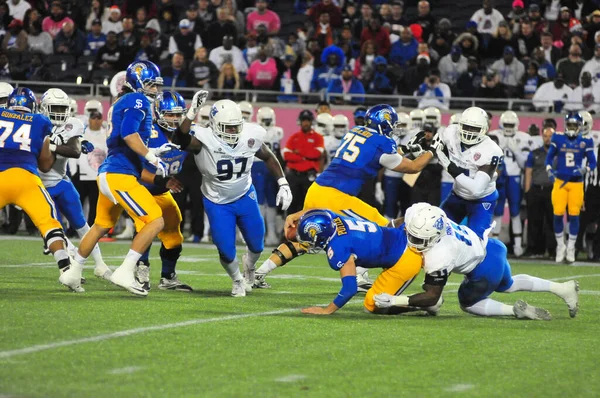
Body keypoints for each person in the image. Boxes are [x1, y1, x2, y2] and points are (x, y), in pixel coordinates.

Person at [254, 104, 435, 291]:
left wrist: (406, 149)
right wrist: (432, 150)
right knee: (381, 229)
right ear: (384, 123)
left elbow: (377, 155)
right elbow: (413, 167)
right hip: (335, 196)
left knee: (304, 240)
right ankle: (359, 276)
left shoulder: (356, 131)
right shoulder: (383, 143)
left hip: (317, 189)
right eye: (392, 123)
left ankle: (258, 273)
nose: (393, 127)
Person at [373, 203, 580, 320]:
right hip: (493, 247)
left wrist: (395, 300)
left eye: (419, 239)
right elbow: (403, 221)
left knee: (468, 303)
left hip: (483, 269)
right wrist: (387, 228)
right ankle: (561, 288)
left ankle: (513, 311)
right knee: (510, 284)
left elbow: (432, 297)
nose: (413, 242)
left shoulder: (441, 253)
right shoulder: (425, 214)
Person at [171, 97, 292, 297]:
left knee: (257, 243)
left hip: (245, 195)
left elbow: (268, 156)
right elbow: (181, 139)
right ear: (216, 125)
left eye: (236, 127)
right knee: (226, 249)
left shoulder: (249, 135)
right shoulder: (204, 138)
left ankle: (249, 268)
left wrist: (283, 183)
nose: (234, 132)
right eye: (229, 128)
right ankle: (237, 280)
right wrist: (191, 111)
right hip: (217, 201)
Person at [71, 60, 172, 297]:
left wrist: (153, 152)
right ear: (137, 82)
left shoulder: (124, 101)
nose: (155, 90)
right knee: (155, 220)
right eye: (151, 85)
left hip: (111, 172)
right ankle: (125, 271)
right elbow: (128, 134)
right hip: (120, 175)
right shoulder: (135, 100)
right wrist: (150, 155)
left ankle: (73, 271)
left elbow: (121, 139)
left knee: (100, 226)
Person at [0, 87, 81, 291]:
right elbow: (45, 165)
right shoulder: (40, 121)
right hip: (26, 178)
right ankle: (66, 270)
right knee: (49, 222)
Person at [290, 209, 435, 315]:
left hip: (404, 259)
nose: (307, 244)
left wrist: (326, 310)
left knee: (373, 305)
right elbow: (317, 211)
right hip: (403, 234)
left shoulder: (338, 247)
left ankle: (422, 303)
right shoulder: (333, 218)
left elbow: (350, 289)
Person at [37, 88, 110, 279]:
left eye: (62, 108)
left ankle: (100, 264)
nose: (59, 113)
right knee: (54, 229)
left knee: (82, 225)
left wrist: (51, 145)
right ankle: (68, 265)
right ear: (44, 108)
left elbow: (75, 151)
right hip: (37, 186)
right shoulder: (35, 123)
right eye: (55, 108)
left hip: (61, 182)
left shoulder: (72, 124)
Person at [134, 91, 192, 291]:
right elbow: (134, 168)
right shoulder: (147, 133)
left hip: (161, 191)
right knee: (147, 227)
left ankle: (168, 277)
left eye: (178, 115)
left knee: (174, 234)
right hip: (139, 188)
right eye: (169, 114)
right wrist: (161, 180)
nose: (174, 119)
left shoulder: (186, 136)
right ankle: (140, 270)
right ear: (158, 113)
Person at [433, 107, 504, 239]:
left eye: (474, 128)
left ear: (484, 129)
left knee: (477, 241)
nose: (469, 132)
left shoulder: (491, 150)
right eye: (466, 126)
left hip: (482, 199)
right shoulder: (450, 133)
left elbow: (476, 189)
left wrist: (450, 167)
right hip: (458, 195)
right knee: (437, 232)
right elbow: (436, 150)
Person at [546, 111, 597, 263]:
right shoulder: (558, 138)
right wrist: (549, 169)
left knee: (574, 216)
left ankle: (571, 247)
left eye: (575, 125)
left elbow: (593, 162)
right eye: (570, 125)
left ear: (580, 126)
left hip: (576, 183)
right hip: (560, 182)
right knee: (558, 214)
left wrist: (585, 169)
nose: (572, 127)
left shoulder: (586, 141)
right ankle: (560, 246)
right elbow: (549, 157)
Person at [488, 111, 540, 257]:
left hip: (515, 177)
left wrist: (516, 151)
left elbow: (525, 164)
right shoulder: (494, 135)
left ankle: (517, 245)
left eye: (511, 125)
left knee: (515, 212)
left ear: (516, 125)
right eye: (506, 124)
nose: (509, 128)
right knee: (497, 211)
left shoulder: (523, 138)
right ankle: (495, 243)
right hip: (498, 177)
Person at [281, 110, 324, 214]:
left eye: (308, 120)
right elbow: (286, 155)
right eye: (303, 120)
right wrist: (305, 157)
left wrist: (298, 152)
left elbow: (317, 154)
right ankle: (290, 229)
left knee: (308, 203)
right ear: (300, 122)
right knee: (291, 203)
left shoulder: (318, 137)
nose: (306, 123)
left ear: (312, 122)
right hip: (294, 175)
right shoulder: (294, 137)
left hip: (309, 175)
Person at [253, 106, 284, 246]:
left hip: (271, 166)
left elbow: (278, 152)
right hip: (257, 165)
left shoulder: (277, 131)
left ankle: (271, 232)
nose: (266, 122)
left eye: (268, 119)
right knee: (258, 200)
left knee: (271, 201)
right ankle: (260, 232)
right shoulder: (254, 129)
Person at [525, 127, 556, 258]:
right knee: (534, 221)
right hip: (536, 189)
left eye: (550, 136)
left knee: (552, 221)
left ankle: (552, 250)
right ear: (542, 137)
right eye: (545, 136)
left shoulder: (558, 154)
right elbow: (528, 172)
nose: (548, 139)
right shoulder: (534, 153)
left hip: (552, 190)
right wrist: (527, 191)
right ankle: (534, 250)